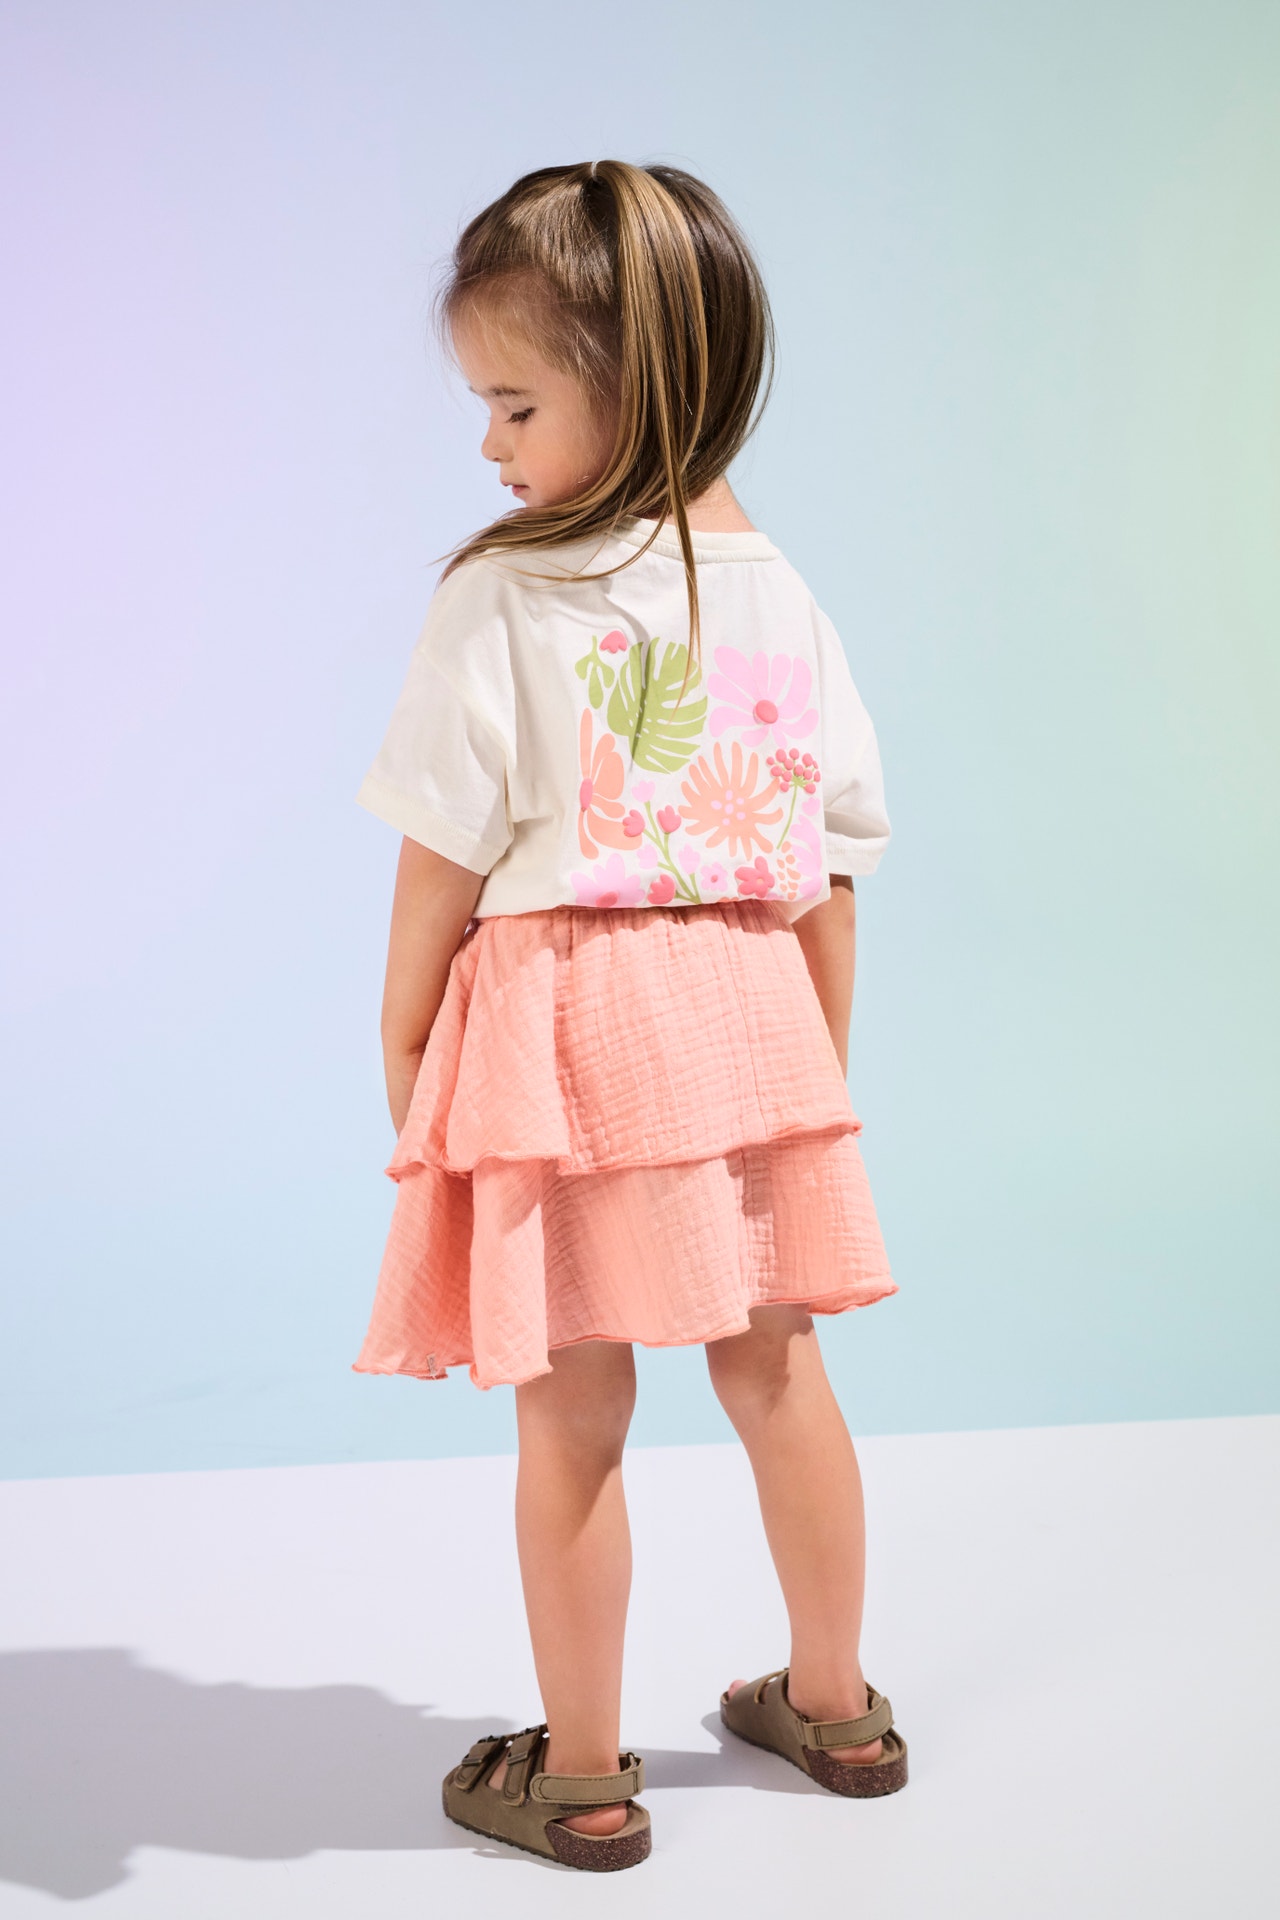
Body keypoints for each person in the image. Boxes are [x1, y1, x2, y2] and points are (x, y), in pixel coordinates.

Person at [352, 159, 907, 1871]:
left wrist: (407, 1043)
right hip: (751, 1013)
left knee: (574, 1406)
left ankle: (584, 1779)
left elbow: (441, 856)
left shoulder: (505, 593)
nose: (491, 446)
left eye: (516, 404)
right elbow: (833, 864)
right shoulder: (781, 588)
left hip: (570, 1031)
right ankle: (837, 1705)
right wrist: (814, 1060)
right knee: (780, 1367)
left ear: (642, 378)